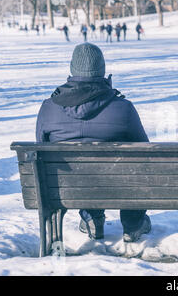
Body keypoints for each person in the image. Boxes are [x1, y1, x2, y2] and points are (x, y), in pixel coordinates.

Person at [35, 43, 151, 243]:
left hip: (67, 187)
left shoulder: (49, 107)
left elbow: (40, 146)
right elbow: (145, 151)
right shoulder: (123, 108)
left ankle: (92, 217)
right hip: (117, 182)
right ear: (102, 70)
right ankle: (132, 224)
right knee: (139, 164)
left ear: (72, 69)